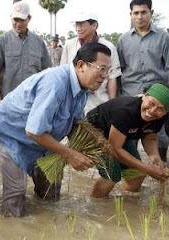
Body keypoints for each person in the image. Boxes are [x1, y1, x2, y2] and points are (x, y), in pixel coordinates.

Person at [0, 42, 111, 217]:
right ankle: (13, 227)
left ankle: (48, 224)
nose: (105, 76)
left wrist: (90, 148)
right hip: (10, 134)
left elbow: (75, 123)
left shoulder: (82, 90)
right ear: (81, 65)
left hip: (41, 139)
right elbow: (34, 131)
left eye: (108, 71)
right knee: (16, 194)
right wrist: (70, 154)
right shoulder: (55, 83)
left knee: (51, 188)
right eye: (102, 69)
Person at [87, 83, 169, 197]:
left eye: (160, 109)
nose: (152, 111)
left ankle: (124, 203)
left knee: (137, 174)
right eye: (151, 103)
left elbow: (150, 137)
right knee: (112, 175)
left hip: (120, 134)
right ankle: (95, 206)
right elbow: (115, 149)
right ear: (144, 96)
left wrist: (156, 160)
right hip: (94, 131)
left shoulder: (162, 116)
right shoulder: (125, 110)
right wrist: (149, 169)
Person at [117, 0, 169, 161]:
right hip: (130, 97)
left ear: (151, 13)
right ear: (131, 15)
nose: (140, 17)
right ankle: (132, 173)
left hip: (157, 97)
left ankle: (161, 171)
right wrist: (118, 99)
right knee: (127, 137)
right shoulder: (123, 40)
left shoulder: (164, 38)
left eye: (144, 12)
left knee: (159, 136)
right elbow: (120, 70)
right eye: (136, 13)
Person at [0, 0, 52, 106]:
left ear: (29, 18)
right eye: (15, 20)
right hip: (8, 99)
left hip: (33, 99)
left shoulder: (38, 42)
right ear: (11, 17)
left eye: (22, 20)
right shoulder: (1, 41)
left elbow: (46, 70)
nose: (18, 24)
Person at [61, 10, 121, 113]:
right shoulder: (69, 45)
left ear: (94, 25)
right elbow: (64, 73)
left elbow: (112, 77)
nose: (78, 28)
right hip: (73, 103)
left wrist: (112, 105)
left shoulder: (109, 47)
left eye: (82, 24)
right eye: (76, 24)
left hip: (99, 102)